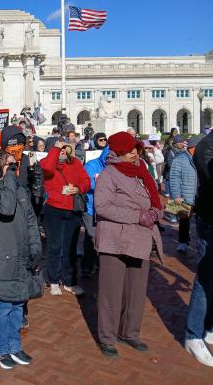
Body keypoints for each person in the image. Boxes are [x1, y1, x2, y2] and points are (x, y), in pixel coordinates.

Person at [94, 131, 163, 358]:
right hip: (115, 240)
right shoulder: (109, 174)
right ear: (119, 151)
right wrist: (137, 216)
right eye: (131, 149)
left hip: (141, 239)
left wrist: (155, 211)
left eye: (137, 148)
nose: (135, 153)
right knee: (111, 292)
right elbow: (102, 207)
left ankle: (129, 333)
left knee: (136, 291)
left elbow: (156, 199)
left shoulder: (142, 172)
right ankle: (107, 338)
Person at [0, 152, 41, 369]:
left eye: (15, 166)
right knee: (2, 306)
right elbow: (5, 208)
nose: (14, 170)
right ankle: (1, 349)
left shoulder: (19, 189)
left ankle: (15, 346)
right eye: (9, 166)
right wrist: (9, 180)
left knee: (17, 306)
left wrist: (35, 247)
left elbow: (32, 221)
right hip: (0, 257)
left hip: (21, 255)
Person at [40, 140, 90, 296]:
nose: (63, 151)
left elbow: (86, 181)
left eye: (64, 148)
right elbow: (46, 168)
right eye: (59, 148)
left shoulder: (75, 162)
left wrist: (78, 188)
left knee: (70, 248)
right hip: (53, 210)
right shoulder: (46, 162)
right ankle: (54, 280)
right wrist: (55, 149)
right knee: (55, 247)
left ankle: (70, 281)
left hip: (72, 210)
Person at [184, 129, 213, 366]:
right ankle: (193, 335)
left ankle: (209, 327)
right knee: (205, 279)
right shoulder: (206, 147)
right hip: (210, 220)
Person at [82, 146, 110, 277]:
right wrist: (101, 182)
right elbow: (86, 183)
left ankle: (101, 263)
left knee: (106, 238)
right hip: (91, 207)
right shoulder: (91, 165)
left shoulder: (115, 167)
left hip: (108, 209)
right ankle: (88, 265)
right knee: (91, 237)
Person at [169, 136, 200, 254]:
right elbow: (174, 178)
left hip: (199, 195)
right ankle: (182, 242)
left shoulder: (202, 158)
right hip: (184, 195)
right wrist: (176, 195)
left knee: (201, 221)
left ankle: (200, 241)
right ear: (193, 147)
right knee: (183, 220)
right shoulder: (180, 159)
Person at [163, 134, 186, 221]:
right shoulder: (171, 152)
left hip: (182, 178)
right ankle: (173, 217)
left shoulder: (184, 151)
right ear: (175, 143)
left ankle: (179, 215)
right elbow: (170, 164)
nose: (181, 143)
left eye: (182, 142)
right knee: (173, 197)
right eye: (179, 142)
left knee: (181, 197)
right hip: (172, 178)